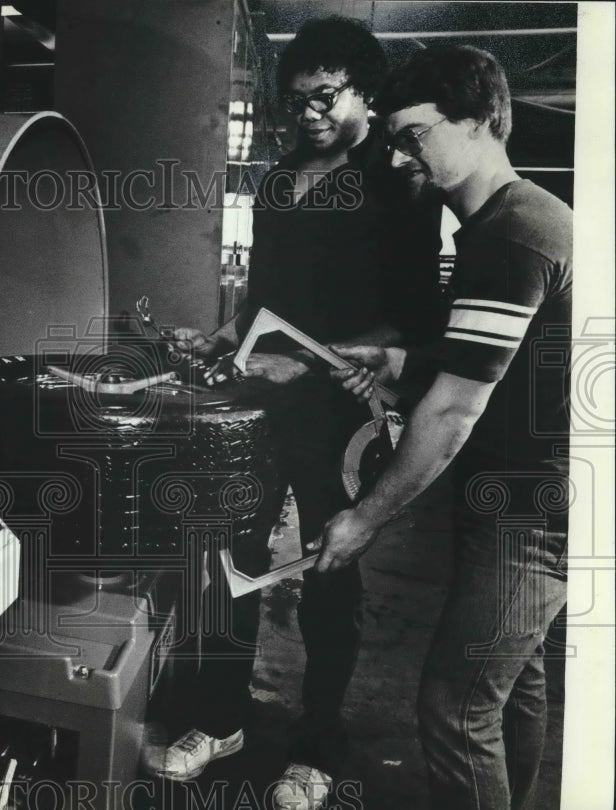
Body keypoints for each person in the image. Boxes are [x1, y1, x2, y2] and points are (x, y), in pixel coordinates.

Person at [151, 16, 442, 805]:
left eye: (324, 96)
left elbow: (412, 319)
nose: (307, 112)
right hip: (262, 404)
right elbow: (263, 298)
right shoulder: (280, 179)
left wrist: (311, 361)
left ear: (365, 94)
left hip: (341, 412)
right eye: (294, 99)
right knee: (230, 562)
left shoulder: (401, 179)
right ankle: (219, 718)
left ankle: (315, 748)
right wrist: (222, 337)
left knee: (328, 577)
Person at [319, 45, 572, 810]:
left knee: (454, 713)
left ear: (483, 121)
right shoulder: (509, 222)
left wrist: (364, 518)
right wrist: (401, 358)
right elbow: (489, 361)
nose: (399, 157)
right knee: (514, 685)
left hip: (530, 512)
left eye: (415, 135)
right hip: (519, 495)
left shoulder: (512, 236)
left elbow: (458, 409)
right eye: (393, 138)